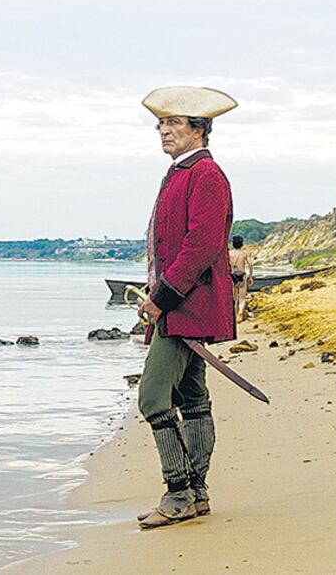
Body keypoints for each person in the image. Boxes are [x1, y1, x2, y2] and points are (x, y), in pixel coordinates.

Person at [135, 86, 237, 529]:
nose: (163, 130)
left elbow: (200, 247)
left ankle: (178, 493)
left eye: (173, 123)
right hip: (178, 305)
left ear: (200, 128)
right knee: (191, 398)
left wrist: (160, 300)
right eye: (161, 123)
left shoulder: (207, 175)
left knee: (152, 397)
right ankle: (196, 494)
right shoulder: (178, 173)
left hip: (186, 307)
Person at [229, 235, 254, 322]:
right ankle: (240, 311)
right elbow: (250, 264)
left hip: (233, 275)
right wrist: (250, 276)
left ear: (233, 244)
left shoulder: (229, 253)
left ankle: (235, 316)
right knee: (242, 298)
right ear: (242, 244)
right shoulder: (244, 253)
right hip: (242, 275)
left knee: (235, 299)